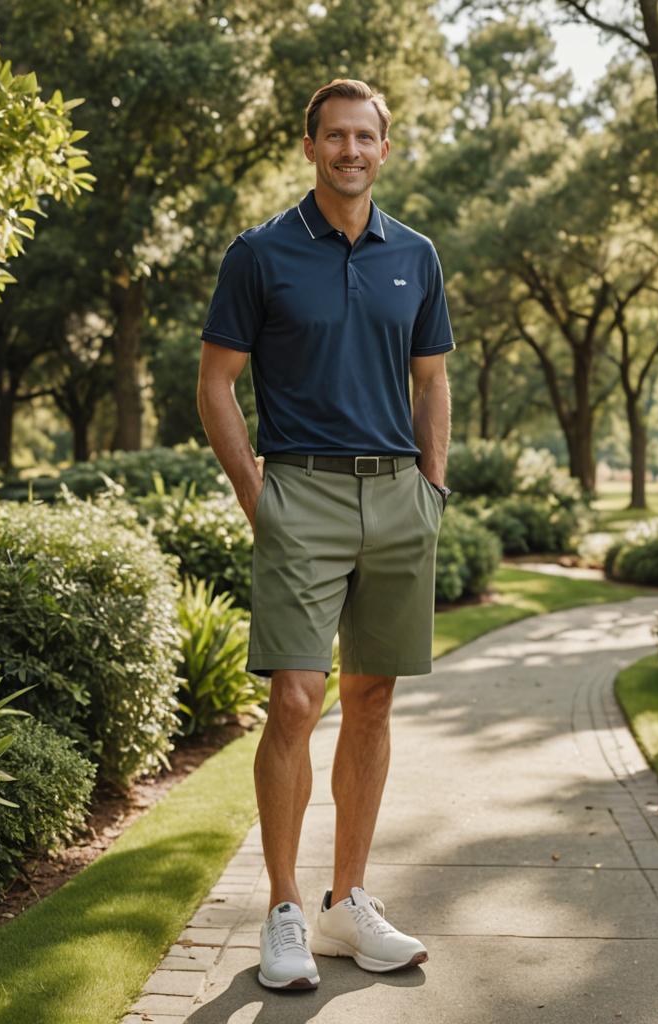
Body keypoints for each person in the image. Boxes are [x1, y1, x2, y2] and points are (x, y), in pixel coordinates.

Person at [196, 78, 455, 991]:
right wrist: (254, 491)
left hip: (396, 498)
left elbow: (431, 381)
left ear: (385, 149)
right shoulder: (260, 252)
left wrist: (432, 487)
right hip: (298, 491)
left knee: (372, 699)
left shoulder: (416, 256)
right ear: (311, 146)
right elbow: (218, 382)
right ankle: (283, 911)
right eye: (335, 136)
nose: (350, 150)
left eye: (365, 137)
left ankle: (349, 903)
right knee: (297, 702)